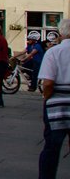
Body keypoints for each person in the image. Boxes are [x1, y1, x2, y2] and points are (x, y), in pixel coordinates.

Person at [37, 18, 70, 179]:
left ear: (61, 33)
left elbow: (48, 83)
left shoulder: (53, 52)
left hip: (57, 106)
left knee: (52, 147)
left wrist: (46, 98)